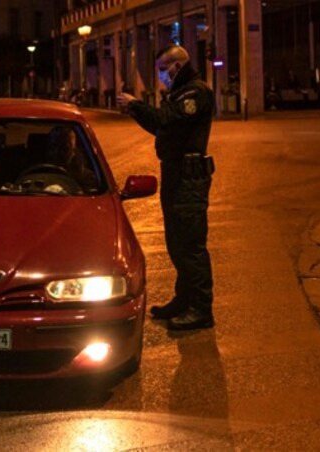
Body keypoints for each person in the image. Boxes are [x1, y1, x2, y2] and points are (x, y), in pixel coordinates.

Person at [116, 44, 215, 331]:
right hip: (176, 175)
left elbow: (167, 121)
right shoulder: (178, 93)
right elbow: (162, 127)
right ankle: (184, 300)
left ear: (176, 65)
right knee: (176, 243)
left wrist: (136, 105)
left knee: (190, 245)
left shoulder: (194, 92)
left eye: (163, 69)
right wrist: (138, 111)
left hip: (189, 178)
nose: (161, 75)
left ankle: (200, 308)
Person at [44, 126, 98, 193]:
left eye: (64, 148)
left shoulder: (87, 177)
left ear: (74, 151)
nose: (57, 152)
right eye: (53, 146)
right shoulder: (38, 173)